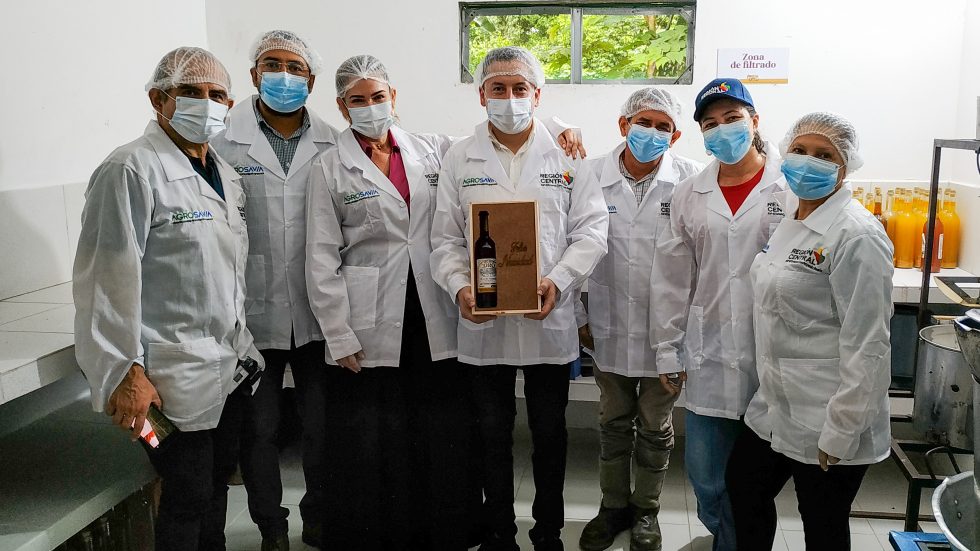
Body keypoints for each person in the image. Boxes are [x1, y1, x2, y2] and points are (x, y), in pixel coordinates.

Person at [305, 53, 585, 551]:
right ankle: (486, 534)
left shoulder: (433, 149)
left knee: (489, 431)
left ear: (394, 98)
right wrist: (458, 285)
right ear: (342, 107)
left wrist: (560, 127)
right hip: (395, 312)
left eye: (378, 96)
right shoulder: (335, 166)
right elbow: (331, 255)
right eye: (357, 100)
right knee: (414, 432)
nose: (370, 107)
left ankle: (535, 533)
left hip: (453, 315)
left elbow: (589, 228)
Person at [73, 47, 264, 551]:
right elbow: (104, 282)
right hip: (163, 380)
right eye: (190, 92)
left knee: (216, 486)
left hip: (226, 366)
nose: (207, 103)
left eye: (217, 94)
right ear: (159, 99)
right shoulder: (129, 169)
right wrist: (124, 372)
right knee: (186, 493)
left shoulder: (225, 174)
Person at [430, 46, 609, 551]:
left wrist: (560, 279)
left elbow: (592, 231)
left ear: (537, 94)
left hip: (548, 318)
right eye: (498, 88)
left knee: (550, 434)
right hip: (483, 323)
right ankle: (500, 533)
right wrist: (459, 286)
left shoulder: (568, 155)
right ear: (481, 94)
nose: (509, 98)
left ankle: (548, 531)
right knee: (492, 434)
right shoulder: (460, 156)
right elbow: (444, 239)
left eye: (519, 88)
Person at [726, 113, 893, 550]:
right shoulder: (793, 220)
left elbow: (869, 343)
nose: (807, 162)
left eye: (824, 155)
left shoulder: (857, 235)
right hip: (776, 405)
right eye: (799, 150)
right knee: (743, 487)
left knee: (822, 525)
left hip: (828, 412)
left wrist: (841, 429)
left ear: (845, 167)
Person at [210, 29, 336, 551]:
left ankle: (320, 516)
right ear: (254, 74)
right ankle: (271, 526)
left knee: (320, 425)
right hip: (251, 311)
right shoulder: (222, 140)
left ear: (312, 80)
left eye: (295, 67)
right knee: (258, 429)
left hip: (317, 309)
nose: (284, 75)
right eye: (272, 65)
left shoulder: (333, 140)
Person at [648, 78, 785, 551]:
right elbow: (671, 279)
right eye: (710, 123)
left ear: (754, 121)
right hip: (709, 350)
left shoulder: (790, 186)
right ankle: (727, 535)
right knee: (706, 478)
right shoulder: (690, 194)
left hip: (774, 354)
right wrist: (667, 350)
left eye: (732, 118)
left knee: (753, 485)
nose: (722, 129)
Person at [576, 88, 703, 551]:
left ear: (676, 135)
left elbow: (700, 261)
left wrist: (687, 335)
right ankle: (612, 507)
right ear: (623, 124)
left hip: (668, 332)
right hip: (606, 323)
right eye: (643, 122)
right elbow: (567, 246)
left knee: (655, 425)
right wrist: (578, 314)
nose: (651, 132)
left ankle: (646, 509)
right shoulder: (590, 175)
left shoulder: (691, 181)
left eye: (663, 126)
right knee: (612, 422)